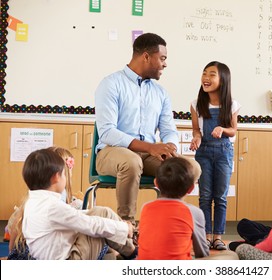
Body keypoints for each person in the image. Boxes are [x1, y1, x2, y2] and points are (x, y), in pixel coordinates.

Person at [94, 33, 182, 223]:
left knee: (185, 168)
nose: (165, 64)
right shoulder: (111, 84)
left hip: (148, 156)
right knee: (132, 162)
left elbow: (168, 130)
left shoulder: (161, 93)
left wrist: (170, 147)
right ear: (146, 57)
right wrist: (150, 147)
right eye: (163, 58)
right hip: (112, 153)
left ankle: (167, 224)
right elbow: (107, 132)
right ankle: (126, 227)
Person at [19, 148, 137, 260]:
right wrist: (124, 227)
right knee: (99, 224)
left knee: (102, 214)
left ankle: (128, 250)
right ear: (56, 177)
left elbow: (75, 215)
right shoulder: (52, 206)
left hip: (55, 256)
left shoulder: (34, 202)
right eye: (64, 174)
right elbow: (90, 224)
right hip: (68, 262)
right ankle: (133, 252)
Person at [189, 61, 241, 250]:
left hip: (223, 152)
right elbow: (196, 130)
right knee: (204, 196)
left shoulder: (232, 104)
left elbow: (233, 131)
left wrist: (222, 129)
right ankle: (205, 235)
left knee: (220, 196)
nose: (206, 78)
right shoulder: (196, 104)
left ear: (223, 79)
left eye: (212, 74)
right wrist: (196, 139)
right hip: (203, 153)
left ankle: (218, 237)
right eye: (204, 73)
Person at [7, 146, 82, 257]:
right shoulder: (57, 193)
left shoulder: (34, 195)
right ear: (60, 173)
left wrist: (11, 252)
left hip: (24, 250)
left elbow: (15, 226)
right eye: (70, 169)